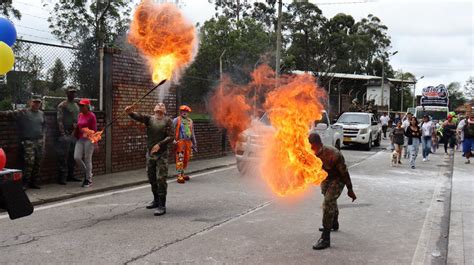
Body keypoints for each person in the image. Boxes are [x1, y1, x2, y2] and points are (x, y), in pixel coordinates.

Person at [308, 133, 356, 250]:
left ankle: (325, 238)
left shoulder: (333, 154)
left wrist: (350, 189)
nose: (309, 148)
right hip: (326, 177)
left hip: (338, 178)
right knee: (328, 197)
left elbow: (344, 173)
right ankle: (334, 222)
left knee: (328, 201)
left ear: (316, 144)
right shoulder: (311, 153)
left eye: (311, 146)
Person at [125, 103, 173, 216]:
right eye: (158, 104)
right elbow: (139, 117)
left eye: (162, 105)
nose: (160, 105)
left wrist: (160, 144)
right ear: (154, 108)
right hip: (150, 153)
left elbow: (171, 136)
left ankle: (162, 205)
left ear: (164, 110)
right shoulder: (149, 119)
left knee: (161, 178)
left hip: (162, 154)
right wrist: (130, 112)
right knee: (151, 178)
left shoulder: (168, 121)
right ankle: (156, 200)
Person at [4, 95, 45, 189]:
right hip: (28, 141)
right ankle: (25, 182)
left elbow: (44, 126)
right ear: (31, 102)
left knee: (38, 162)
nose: (36, 104)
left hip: (39, 141)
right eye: (35, 102)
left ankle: (34, 182)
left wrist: (43, 139)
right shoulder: (24, 112)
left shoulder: (41, 114)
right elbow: (10, 113)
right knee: (29, 163)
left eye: (38, 102)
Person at [56, 86, 81, 185]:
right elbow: (59, 121)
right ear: (67, 93)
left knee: (72, 156)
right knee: (63, 157)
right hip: (66, 134)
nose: (73, 94)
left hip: (74, 134)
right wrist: (63, 134)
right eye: (71, 92)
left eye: (74, 92)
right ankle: (62, 178)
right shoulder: (62, 105)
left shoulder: (76, 105)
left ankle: (71, 175)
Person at [74, 99, 97, 188]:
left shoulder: (92, 116)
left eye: (83, 106)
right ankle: (87, 173)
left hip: (89, 139)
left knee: (87, 159)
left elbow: (94, 130)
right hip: (80, 139)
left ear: (87, 106)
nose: (81, 107)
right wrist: (76, 128)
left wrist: (94, 142)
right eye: (80, 105)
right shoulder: (80, 115)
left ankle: (88, 179)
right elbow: (78, 126)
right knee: (77, 157)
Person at [173, 105, 197, 184]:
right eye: (183, 111)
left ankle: (183, 174)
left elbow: (192, 133)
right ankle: (179, 175)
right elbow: (170, 130)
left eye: (186, 112)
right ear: (180, 112)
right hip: (180, 142)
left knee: (186, 158)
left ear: (188, 113)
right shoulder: (176, 120)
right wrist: (173, 140)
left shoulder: (190, 121)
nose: (184, 113)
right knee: (180, 158)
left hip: (188, 142)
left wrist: (194, 143)